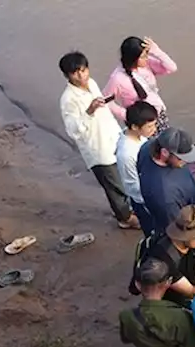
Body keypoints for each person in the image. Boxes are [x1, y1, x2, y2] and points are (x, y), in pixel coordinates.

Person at [59, 51, 139, 230]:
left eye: (84, 70)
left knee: (125, 177)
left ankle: (128, 209)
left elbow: (104, 111)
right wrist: (89, 111)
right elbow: (73, 131)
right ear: (67, 75)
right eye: (76, 73)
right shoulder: (68, 100)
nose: (82, 75)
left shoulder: (92, 83)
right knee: (114, 185)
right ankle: (124, 218)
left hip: (113, 137)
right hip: (98, 148)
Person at [136, 126, 195, 234]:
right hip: (190, 224)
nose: (186, 162)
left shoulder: (147, 147)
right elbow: (178, 231)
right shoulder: (163, 195)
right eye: (181, 158)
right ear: (164, 152)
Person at [104, 36, 177, 133]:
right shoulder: (118, 78)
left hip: (158, 114)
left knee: (167, 143)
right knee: (150, 147)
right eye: (142, 57)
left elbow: (171, 68)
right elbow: (105, 100)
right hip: (141, 124)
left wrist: (156, 51)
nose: (146, 58)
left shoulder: (147, 64)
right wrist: (127, 115)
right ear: (133, 58)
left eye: (146, 54)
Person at [116, 101, 161, 236]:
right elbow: (133, 185)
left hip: (152, 190)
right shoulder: (126, 154)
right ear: (135, 126)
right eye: (149, 126)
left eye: (154, 125)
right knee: (155, 234)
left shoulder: (140, 138)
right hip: (145, 202)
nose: (154, 129)